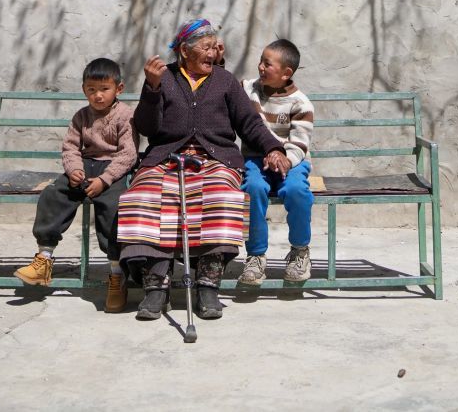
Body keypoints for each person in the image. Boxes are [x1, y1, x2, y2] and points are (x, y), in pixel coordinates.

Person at [117, 17, 290, 321]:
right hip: (166, 158)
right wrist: (152, 89)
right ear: (185, 50)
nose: (213, 53)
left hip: (215, 160)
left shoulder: (224, 81)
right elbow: (146, 127)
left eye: (215, 47)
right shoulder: (164, 78)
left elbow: (249, 124)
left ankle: (207, 285)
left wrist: (274, 147)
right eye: (206, 48)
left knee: (222, 195)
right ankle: (156, 285)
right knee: (144, 194)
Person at [14, 57, 138, 313]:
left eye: (104, 89)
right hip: (85, 167)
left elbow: (128, 154)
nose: (98, 96)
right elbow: (70, 147)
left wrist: (104, 181)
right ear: (84, 90)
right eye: (91, 90)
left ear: (119, 89)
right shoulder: (81, 116)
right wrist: (74, 171)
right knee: (53, 195)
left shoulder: (126, 116)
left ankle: (116, 274)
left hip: (112, 171)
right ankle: (44, 258)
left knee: (114, 208)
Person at [238, 38, 316, 286]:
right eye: (260, 61)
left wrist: (284, 158)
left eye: (267, 64)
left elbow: (299, 144)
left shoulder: (300, 103)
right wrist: (217, 60)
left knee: (297, 191)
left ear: (286, 73)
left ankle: (300, 251)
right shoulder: (249, 89)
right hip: (255, 160)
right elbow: (223, 85)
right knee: (253, 189)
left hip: (292, 161)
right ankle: (256, 256)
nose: (260, 67)